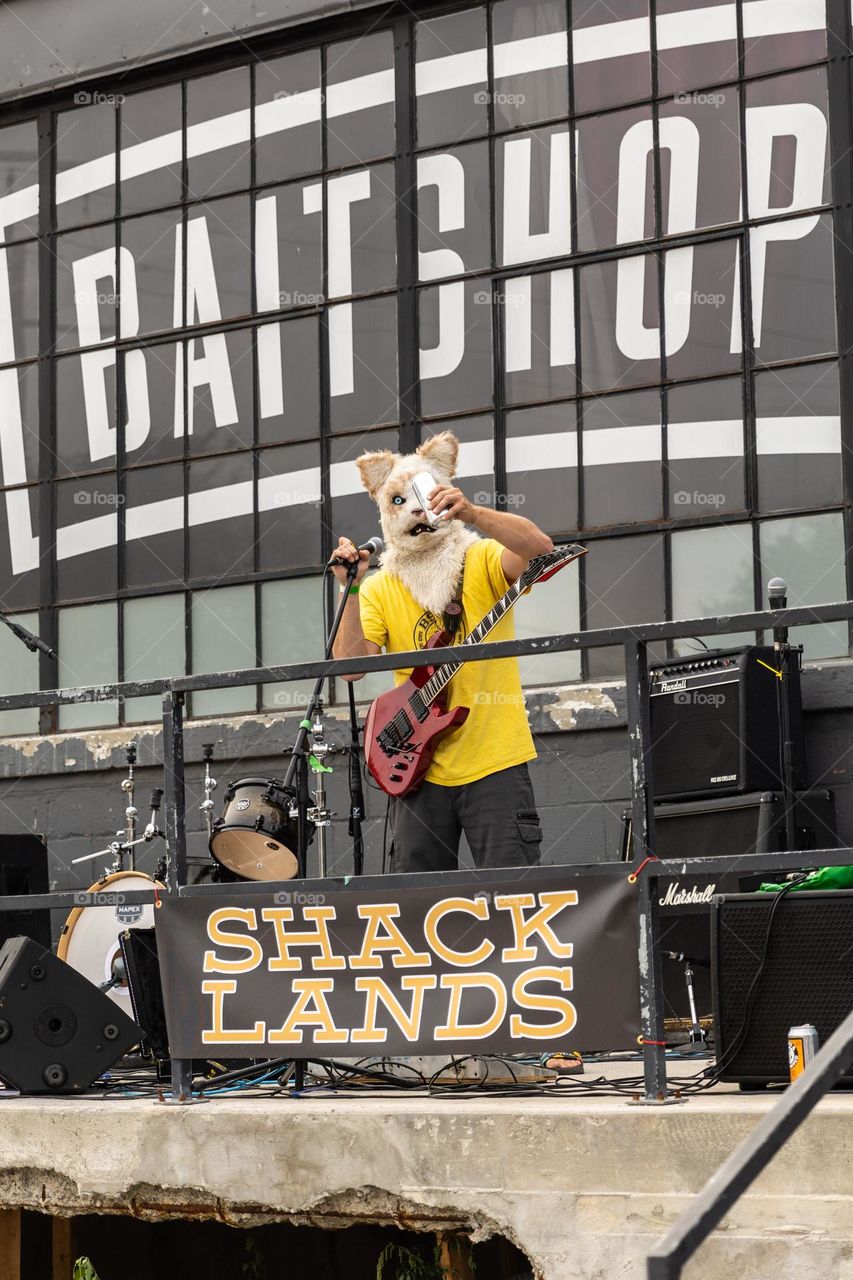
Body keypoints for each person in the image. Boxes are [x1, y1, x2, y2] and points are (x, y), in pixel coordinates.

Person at [330, 430, 554, 874]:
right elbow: (351, 668)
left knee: (514, 896)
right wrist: (351, 587)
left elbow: (540, 550)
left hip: (495, 760)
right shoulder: (378, 587)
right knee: (417, 903)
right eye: (399, 501)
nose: (414, 510)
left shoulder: (482, 557)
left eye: (424, 496)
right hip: (417, 765)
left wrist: (471, 512)